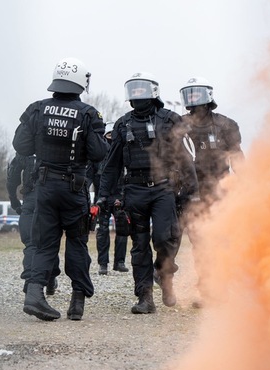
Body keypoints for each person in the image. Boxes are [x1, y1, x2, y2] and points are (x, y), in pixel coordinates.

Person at [12, 57, 108, 321]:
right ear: (81, 83)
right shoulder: (88, 114)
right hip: (73, 189)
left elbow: (21, 146)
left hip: (43, 187)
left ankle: (34, 295)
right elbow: (99, 153)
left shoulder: (37, 109)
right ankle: (77, 303)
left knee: (43, 244)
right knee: (76, 243)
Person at [99, 72, 198, 314]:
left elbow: (185, 160)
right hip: (134, 190)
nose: (137, 94)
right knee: (139, 245)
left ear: (153, 92)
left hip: (163, 189)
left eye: (141, 89)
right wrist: (104, 194)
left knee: (165, 238)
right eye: (133, 89)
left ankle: (165, 276)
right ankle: (145, 298)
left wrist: (193, 192)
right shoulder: (123, 124)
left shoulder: (170, 120)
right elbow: (112, 164)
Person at [179, 77, 243, 206]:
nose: (192, 98)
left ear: (207, 95)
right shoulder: (179, 124)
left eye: (196, 94)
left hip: (219, 184)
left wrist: (244, 179)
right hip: (190, 186)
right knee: (189, 223)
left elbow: (236, 155)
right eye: (189, 95)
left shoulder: (225, 124)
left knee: (220, 222)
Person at [6, 153, 61, 294]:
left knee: (31, 242)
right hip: (51, 197)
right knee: (49, 241)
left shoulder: (26, 151)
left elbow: (12, 177)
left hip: (31, 198)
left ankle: (31, 281)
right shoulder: (55, 144)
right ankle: (49, 278)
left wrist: (14, 200)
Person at [88, 122, 129, 275]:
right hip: (102, 199)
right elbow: (88, 178)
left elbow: (129, 177)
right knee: (102, 231)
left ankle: (120, 262)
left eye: (114, 134)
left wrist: (125, 196)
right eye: (109, 134)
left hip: (120, 198)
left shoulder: (125, 153)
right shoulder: (97, 155)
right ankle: (103, 264)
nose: (111, 137)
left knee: (123, 230)